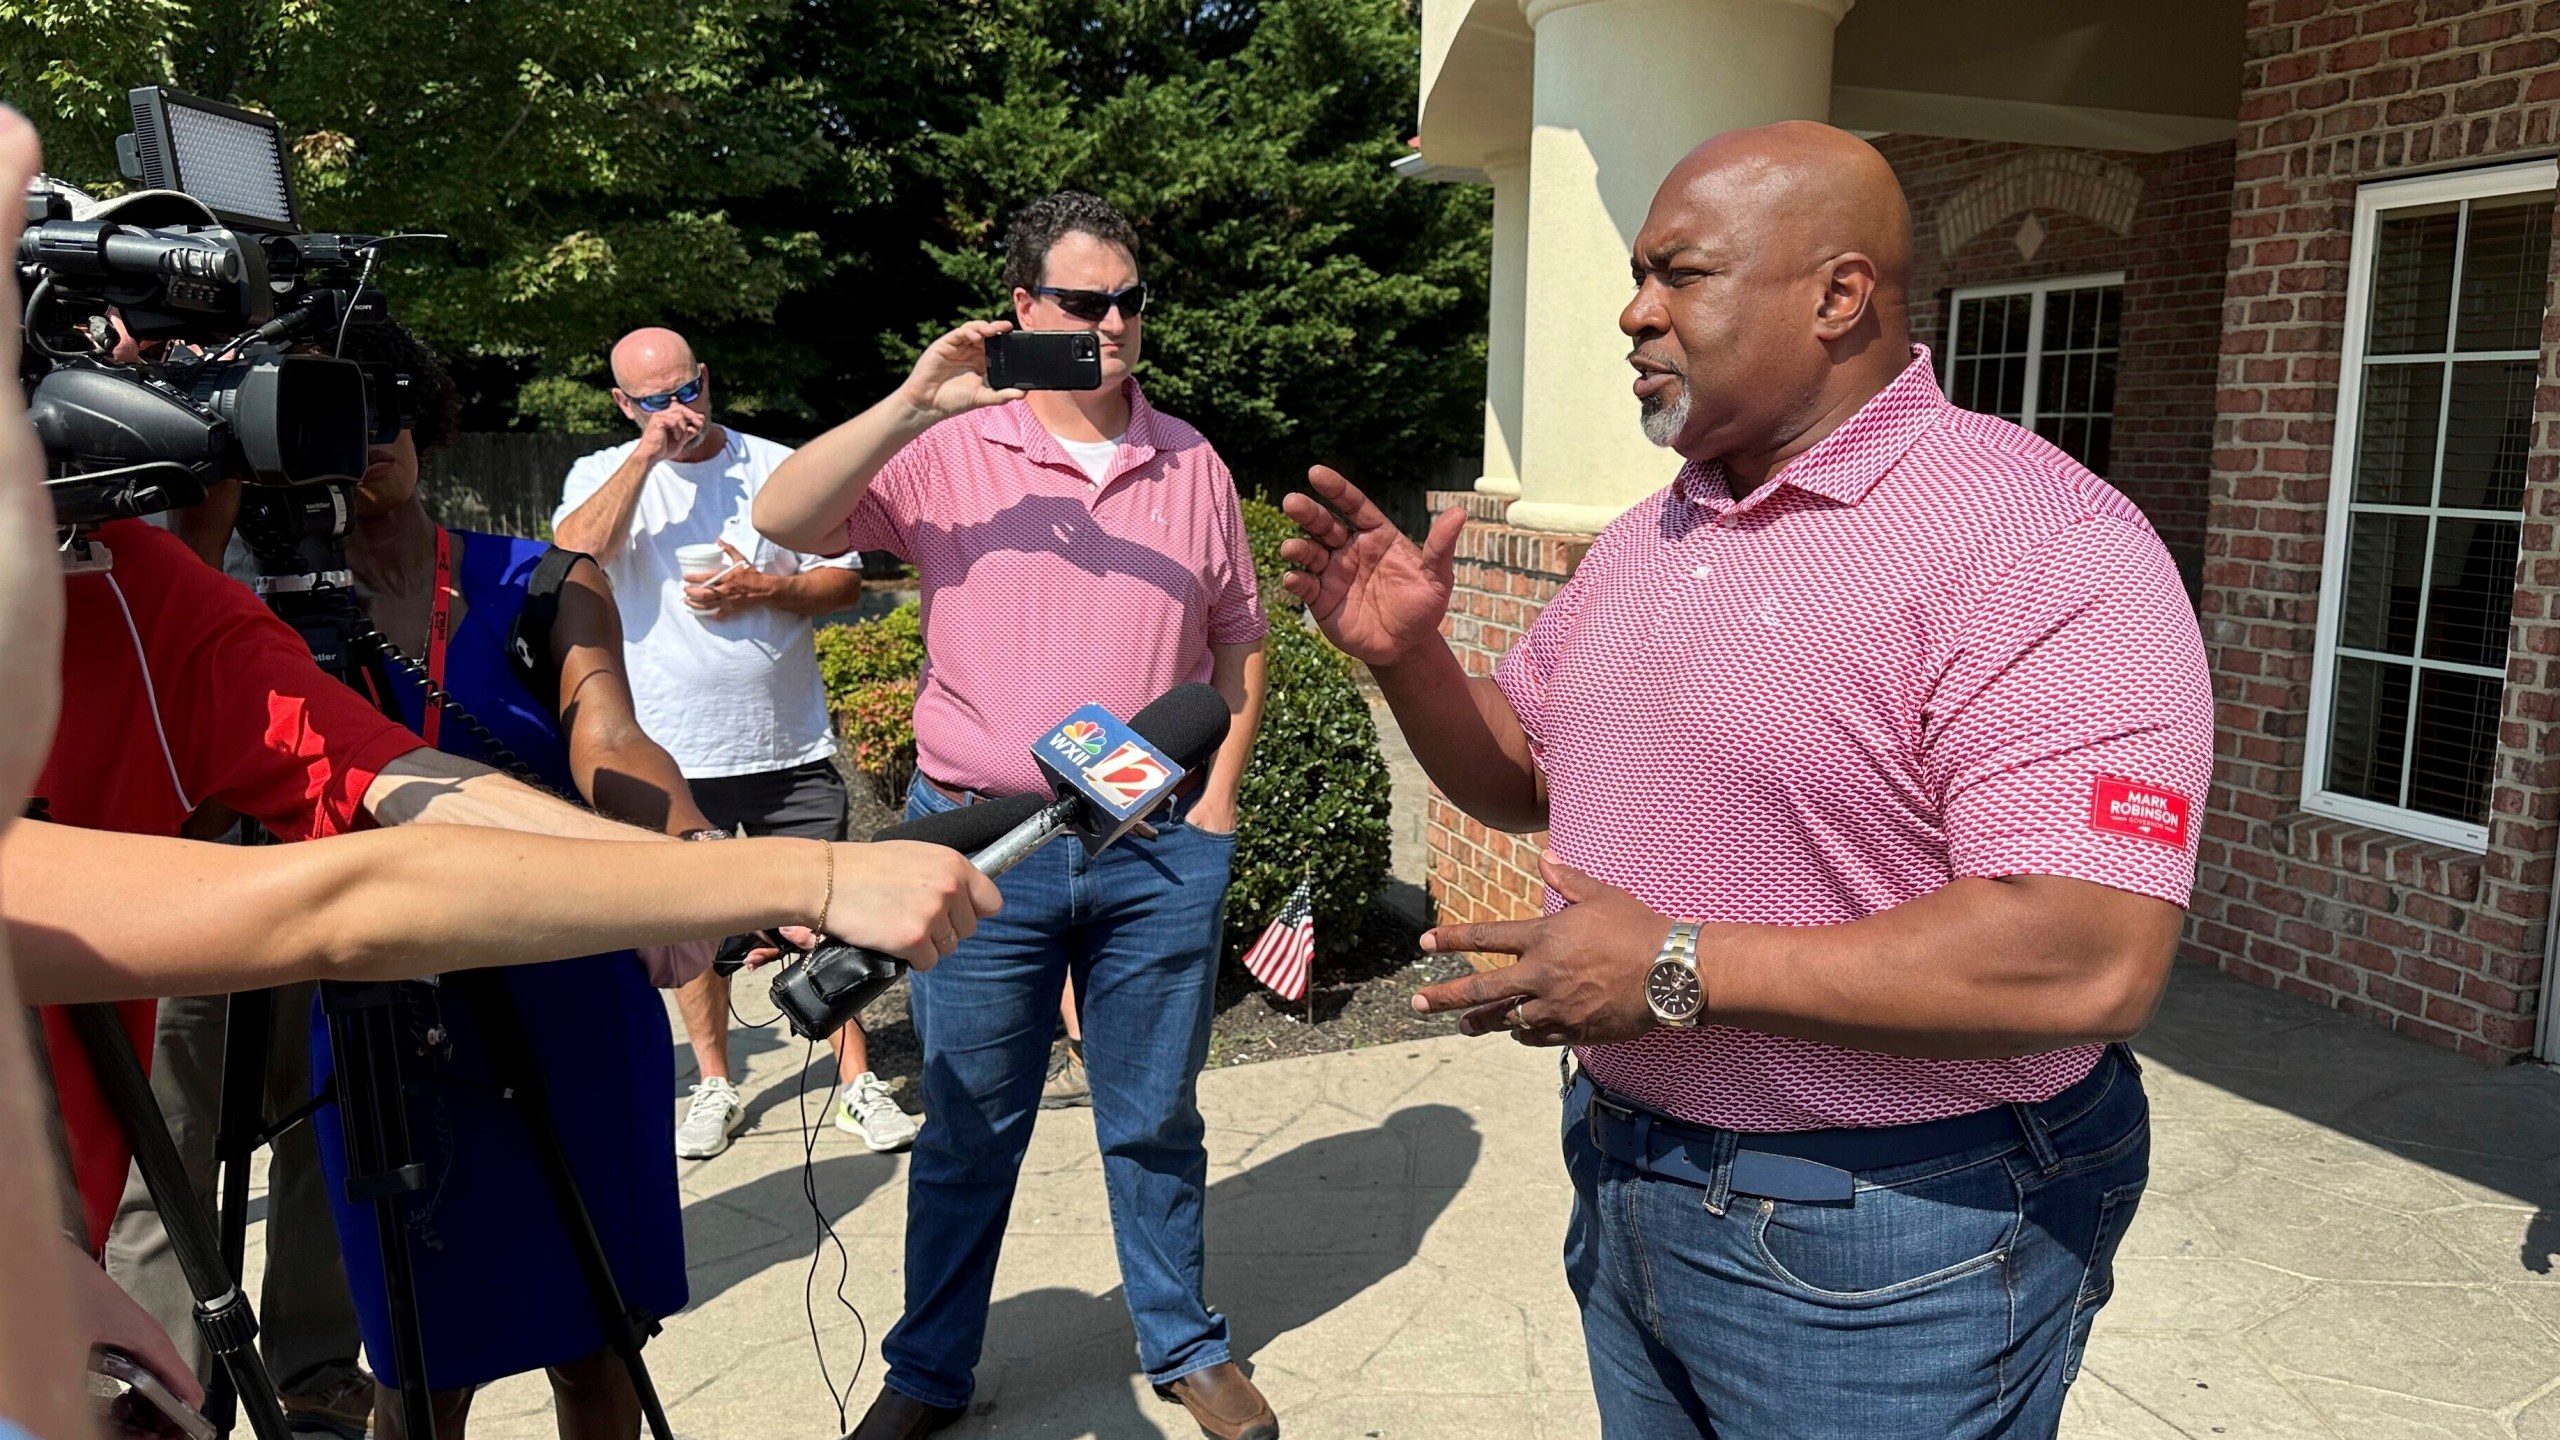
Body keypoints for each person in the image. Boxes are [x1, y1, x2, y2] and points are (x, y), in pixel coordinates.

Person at [1279, 123, 2214, 1438]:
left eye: (1681, 275)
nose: (1633, 311)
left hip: (1898, 1231)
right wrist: (1414, 658)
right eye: (1635, 275)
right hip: (1629, 1174)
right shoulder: (1655, 535)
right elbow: (1531, 771)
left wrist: (1672, 968)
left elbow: (2085, 956)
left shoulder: (2040, 543)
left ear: (1838, 297)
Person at [754, 191, 1274, 1440]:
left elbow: (1238, 645)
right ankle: (930, 1369)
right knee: (969, 1127)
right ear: (1022, 308)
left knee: (1153, 1118)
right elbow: (781, 521)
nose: (1111, 325)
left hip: (1153, 850)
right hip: (983, 847)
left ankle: (1184, 1342)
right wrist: (913, 402)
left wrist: (1214, 815)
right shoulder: (945, 449)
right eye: (1083, 302)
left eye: (1130, 302)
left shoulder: (1191, 458)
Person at [549, 327, 900, 1158]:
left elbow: (847, 578)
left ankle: (856, 1083)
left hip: (784, 745)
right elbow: (568, 555)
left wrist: (766, 586)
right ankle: (714, 1083)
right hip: (669, 757)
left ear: (707, 378)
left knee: (826, 913)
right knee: (691, 931)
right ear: (622, 404)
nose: (680, 412)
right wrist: (644, 458)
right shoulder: (602, 474)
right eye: (655, 400)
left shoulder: (776, 463)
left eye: (688, 391)